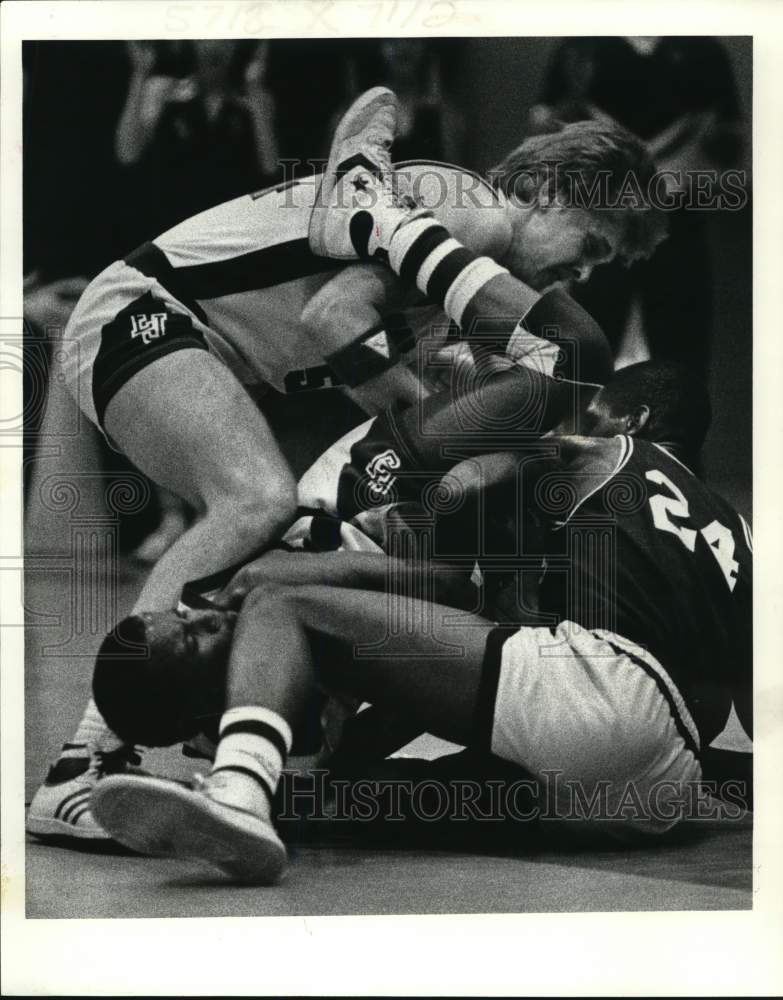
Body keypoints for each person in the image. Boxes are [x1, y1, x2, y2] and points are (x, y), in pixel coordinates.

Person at [27, 85, 666, 841]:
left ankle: (219, 729)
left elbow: (403, 378)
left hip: (174, 328)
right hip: (147, 309)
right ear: (553, 189)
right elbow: (331, 317)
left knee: (283, 525)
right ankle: (83, 762)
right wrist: (422, 429)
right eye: (591, 247)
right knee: (256, 502)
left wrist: (432, 424)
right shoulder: (475, 210)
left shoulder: (456, 267)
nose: (582, 275)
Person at [88, 360, 752, 883]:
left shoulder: (600, 452)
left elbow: (488, 478)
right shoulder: (735, 533)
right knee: (356, 801)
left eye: (595, 411)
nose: (585, 417)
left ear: (629, 420)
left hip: (592, 694)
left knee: (279, 603)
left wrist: (451, 490)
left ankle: (239, 788)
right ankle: (253, 809)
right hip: (657, 790)